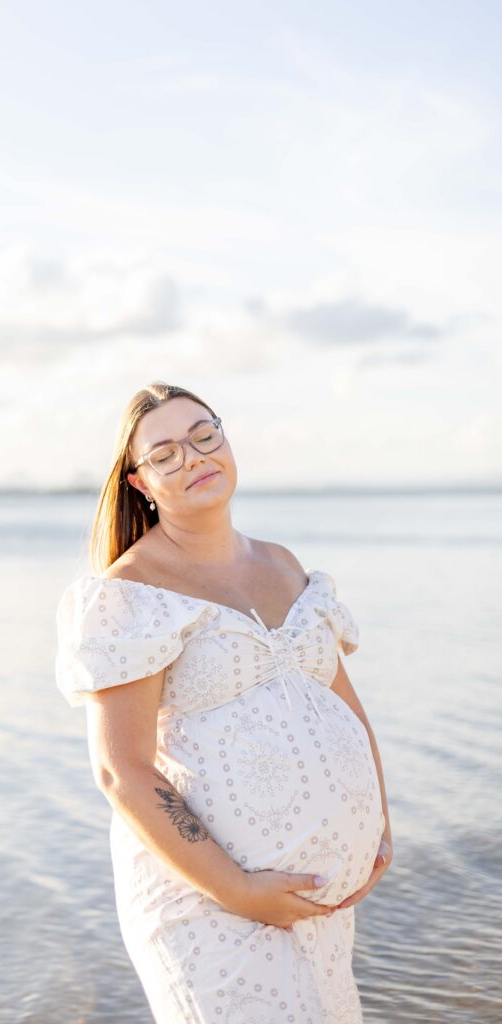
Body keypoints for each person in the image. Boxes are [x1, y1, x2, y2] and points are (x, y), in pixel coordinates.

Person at [55, 380, 393, 1023]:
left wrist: (378, 820)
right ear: (139, 483)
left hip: (313, 905)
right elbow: (120, 770)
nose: (193, 458)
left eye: (203, 435)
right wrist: (239, 890)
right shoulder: (129, 592)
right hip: (205, 902)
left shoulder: (284, 564)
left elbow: (343, 703)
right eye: (165, 454)